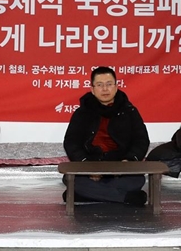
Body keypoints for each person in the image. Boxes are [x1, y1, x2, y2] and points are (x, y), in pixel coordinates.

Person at [63, 66, 150, 205]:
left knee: (137, 179)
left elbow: (141, 140)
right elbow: (71, 142)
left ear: (116, 87)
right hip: (90, 165)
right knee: (72, 180)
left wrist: (128, 161)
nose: (105, 89)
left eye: (109, 84)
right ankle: (125, 198)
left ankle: (87, 195)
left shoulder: (130, 111)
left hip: (121, 167)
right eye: (100, 85)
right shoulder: (82, 113)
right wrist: (87, 166)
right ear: (92, 89)